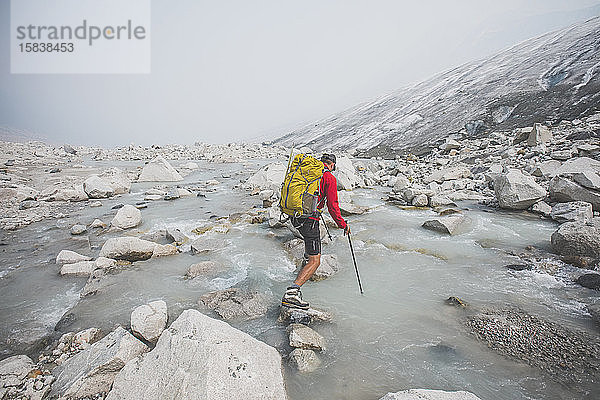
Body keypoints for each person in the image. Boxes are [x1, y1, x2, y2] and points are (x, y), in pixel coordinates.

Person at [281, 153, 350, 310]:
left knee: (309, 250)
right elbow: (333, 206)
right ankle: (292, 293)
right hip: (310, 221)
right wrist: (343, 225)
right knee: (315, 261)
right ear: (332, 165)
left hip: (294, 216)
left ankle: (302, 269)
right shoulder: (329, 178)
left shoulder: (306, 173)